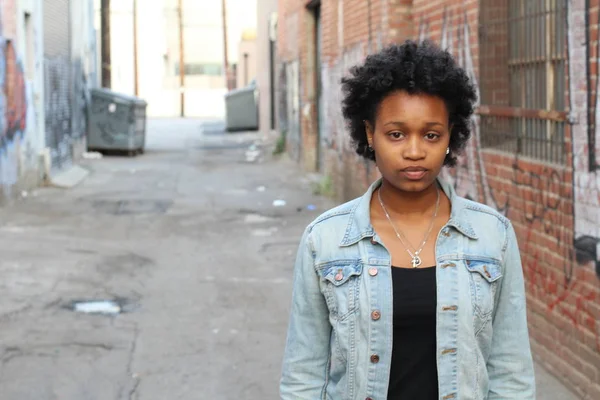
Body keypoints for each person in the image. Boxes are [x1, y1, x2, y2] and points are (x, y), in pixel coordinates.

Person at [279, 40, 535, 400]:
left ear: (450, 136)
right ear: (370, 133)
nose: (415, 151)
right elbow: (303, 375)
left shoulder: (492, 235)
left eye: (431, 135)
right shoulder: (326, 239)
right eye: (396, 134)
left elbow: (511, 373)